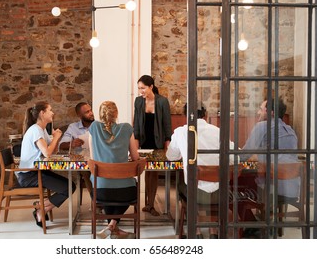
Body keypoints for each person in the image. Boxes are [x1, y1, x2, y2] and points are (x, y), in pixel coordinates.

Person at [166, 102, 235, 239]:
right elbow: (234, 156)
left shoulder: (181, 132)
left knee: (189, 184)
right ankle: (213, 231)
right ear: (206, 115)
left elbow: (171, 157)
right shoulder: (217, 131)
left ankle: (196, 232)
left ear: (186, 116)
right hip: (220, 194)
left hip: (195, 194)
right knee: (207, 183)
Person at [239, 98, 299, 238]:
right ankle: (269, 222)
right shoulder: (290, 130)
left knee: (236, 184)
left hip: (270, 189)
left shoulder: (262, 127)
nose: (258, 111)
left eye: (261, 109)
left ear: (270, 112)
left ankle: (253, 226)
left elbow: (243, 155)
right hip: (292, 189)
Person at [17, 101, 76, 228]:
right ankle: (41, 208)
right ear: (42, 113)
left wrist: (56, 137)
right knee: (68, 187)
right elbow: (47, 153)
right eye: (50, 110)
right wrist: (55, 138)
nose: (53, 113)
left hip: (38, 171)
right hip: (29, 175)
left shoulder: (41, 130)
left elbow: (53, 149)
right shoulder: (35, 130)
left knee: (71, 186)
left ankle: (41, 206)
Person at [89, 101, 140, 239]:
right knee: (131, 188)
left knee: (105, 186)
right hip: (125, 192)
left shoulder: (93, 127)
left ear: (100, 114)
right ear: (116, 114)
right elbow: (136, 157)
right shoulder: (127, 128)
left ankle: (111, 226)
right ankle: (112, 226)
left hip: (100, 191)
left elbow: (93, 159)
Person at [133, 75, 172, 216]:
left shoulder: (162, 101)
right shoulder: (138, 101)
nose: (140, 91)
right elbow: (136, 123)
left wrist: (167, 144)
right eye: (139, 88)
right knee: (146, 171)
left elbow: (167, 124)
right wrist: (135, 143)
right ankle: (147, 204)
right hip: (143, 141)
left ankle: (150, 205)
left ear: (151, 87)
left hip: (157, 141)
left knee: (153, 173)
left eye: (143, 88)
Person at [59, 102, 94, 195]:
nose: (91, 113)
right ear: (79, 115)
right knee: (86, 171)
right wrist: (72, 143)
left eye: (91, 110)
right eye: (87, 112)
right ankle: (96, 201)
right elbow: (61, 145)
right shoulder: (73, 127)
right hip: (82, 161)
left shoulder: (98, 125)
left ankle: (102, 199)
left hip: (98, 159)